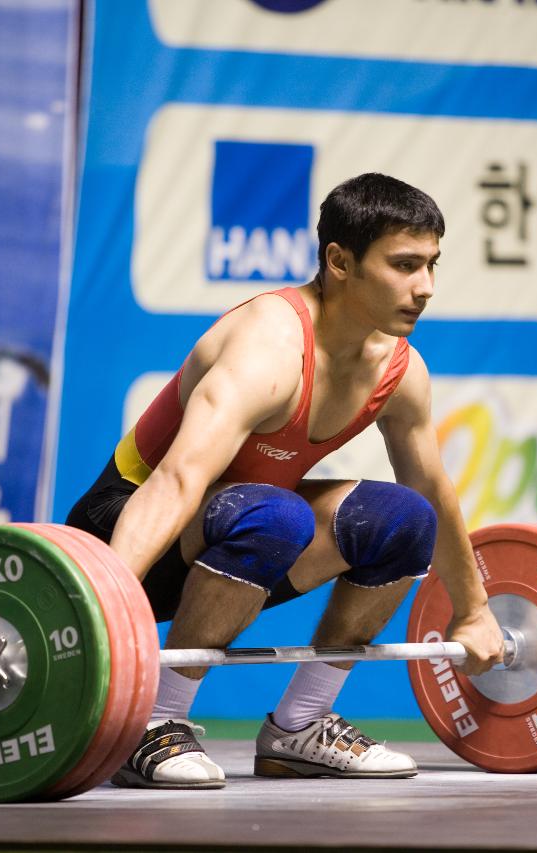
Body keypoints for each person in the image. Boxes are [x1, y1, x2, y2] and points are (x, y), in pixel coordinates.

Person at [67, 173, 505, 789]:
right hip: (125, 528)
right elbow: (175, 480)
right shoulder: (267, 347)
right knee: (276, 515)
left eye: (432, 264)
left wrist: (475, 612)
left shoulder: (400, 372)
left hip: (245, 539)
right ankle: (155, 721)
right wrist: (97, 609)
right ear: (340, 261)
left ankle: (299, 725)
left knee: (406, 519)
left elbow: (433, 489)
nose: (425, 287)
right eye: (404, 265)